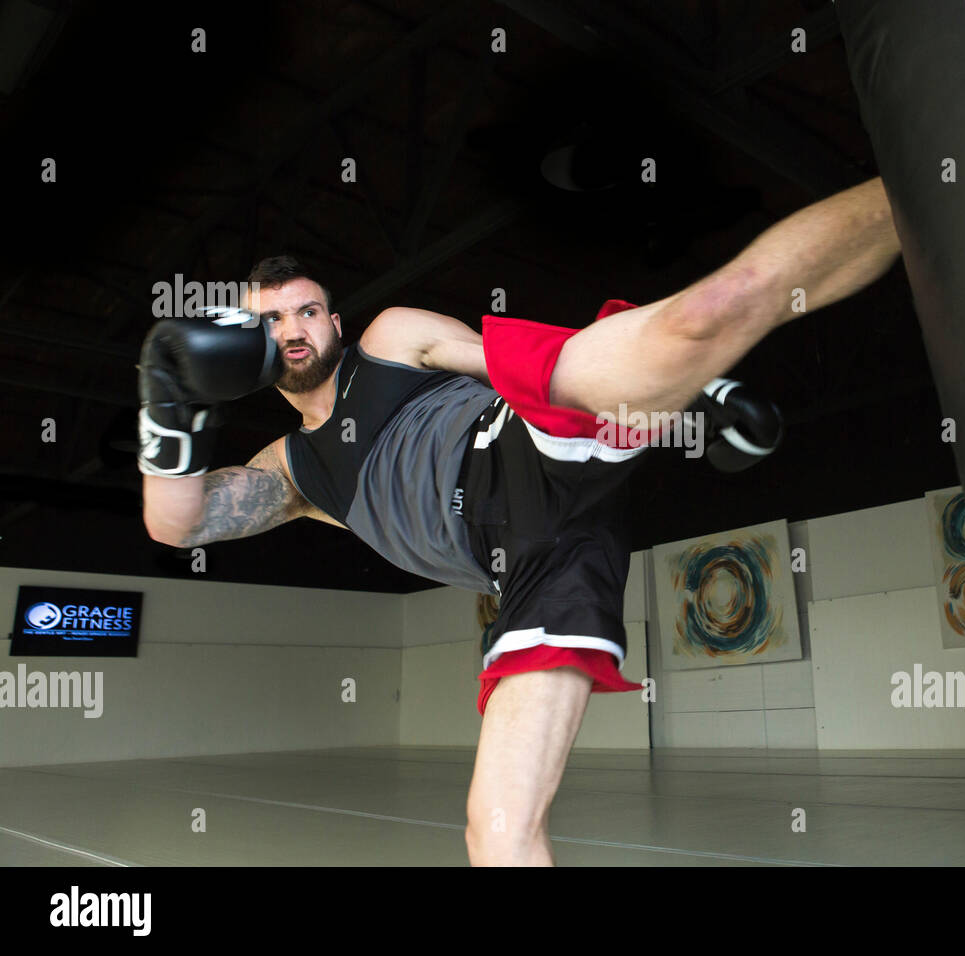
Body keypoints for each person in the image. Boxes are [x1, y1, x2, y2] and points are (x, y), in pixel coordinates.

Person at [138, 176, 901, 865]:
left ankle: (918, 184)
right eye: (269, 320)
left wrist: (665, 387)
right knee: (497, 832)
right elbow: (179, 525)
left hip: (518, 444)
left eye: (306, 310)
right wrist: (164, 400)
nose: (292, 328)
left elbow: (520, 362)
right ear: (241, 341)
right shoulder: (294, 471)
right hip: (541, 568)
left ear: (334, 320)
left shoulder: (391, 338)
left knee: (706, 315)